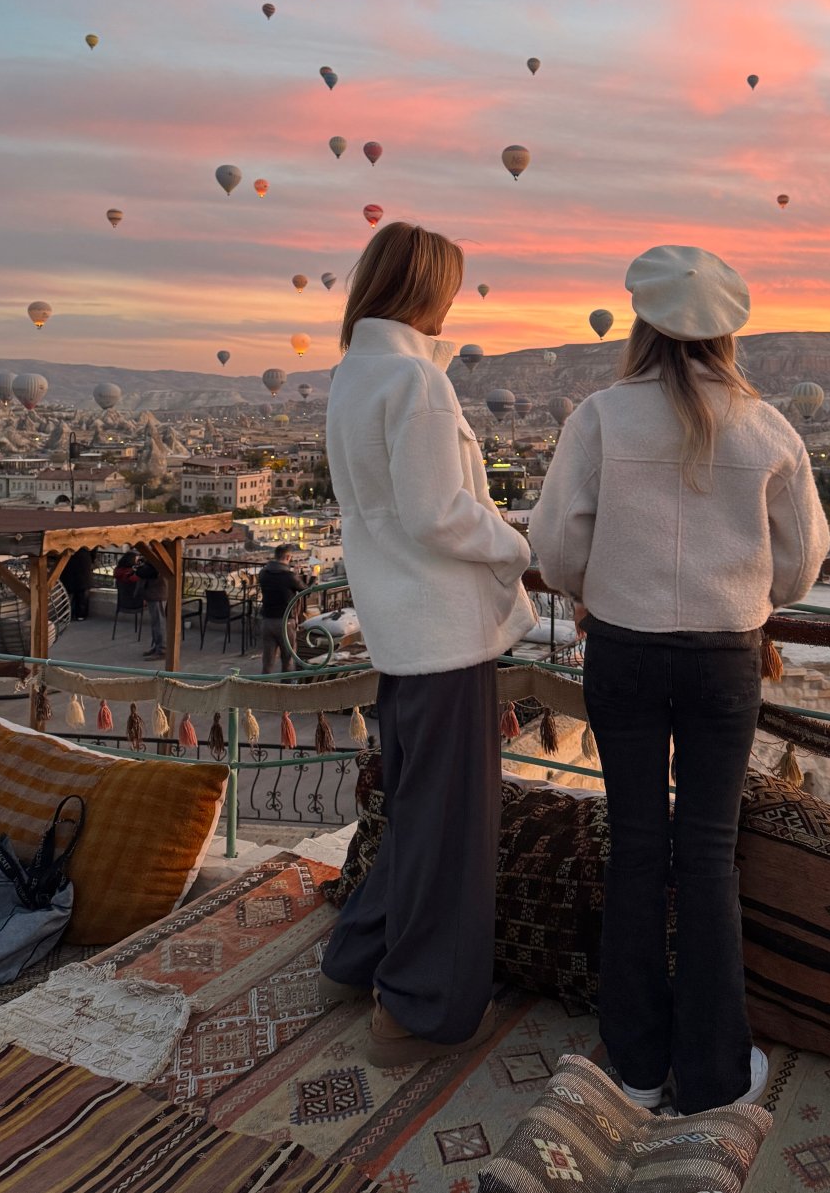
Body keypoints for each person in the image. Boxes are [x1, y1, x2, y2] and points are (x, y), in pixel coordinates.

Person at [530, 245, 830, 1116]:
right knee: (705, 854)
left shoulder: (599, 417)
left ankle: (630, 1062)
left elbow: (554, 548)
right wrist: (744, 591)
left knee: (633, 843)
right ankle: (712, 1075)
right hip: (723, 656)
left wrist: (591, 588)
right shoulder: (768, 425)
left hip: (621, 647)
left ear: (640, 321)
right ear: (729, 333)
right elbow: (803, 565)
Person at [319, 222, 535, 1069]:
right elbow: (438, 512)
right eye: (450, 285)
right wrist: (519, 545)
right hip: (443, 630)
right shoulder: (417, 381)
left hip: (396, 628)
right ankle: (416, 1007)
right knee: (452, 826)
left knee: (411, 811)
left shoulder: (353, 374)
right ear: (426, 289)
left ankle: (356, 959)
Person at [257, 546, 307, 674]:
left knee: (267, 661)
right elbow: (305, 590)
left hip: (267, 620)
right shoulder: (289, 576)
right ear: (288, 557)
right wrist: (308, 577)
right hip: (285, 622)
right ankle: (285, 690)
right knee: (287, 660)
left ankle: (264, 688)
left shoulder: (263, 573)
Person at [135, 552, 168, 658]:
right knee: (155, 622)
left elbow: (151, 572)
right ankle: (157, 646)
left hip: (157, 593)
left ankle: (162, 649)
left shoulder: (160, 556)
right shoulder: (157, 555)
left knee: (159, 622)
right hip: (154, 592)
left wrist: (138, 569)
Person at [58, 544, 93, 621]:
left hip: (67, 558)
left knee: (68, 589)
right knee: (82, 589)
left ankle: (66, 614)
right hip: (83, 558)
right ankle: (80, 614)